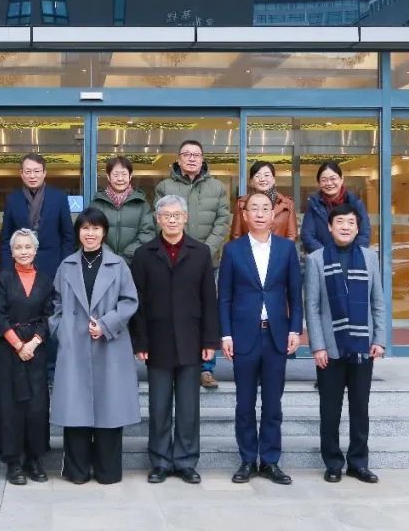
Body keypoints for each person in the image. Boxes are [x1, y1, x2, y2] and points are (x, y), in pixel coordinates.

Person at [130, 195, 219, 485]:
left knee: (189, 407)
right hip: (157, 341)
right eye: (166, 215)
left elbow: (209, 299)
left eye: (176, 215)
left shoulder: (201, 252)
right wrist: (140, 342)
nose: (171, 219)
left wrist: (210, 341)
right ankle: (160, 461)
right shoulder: (144, 254)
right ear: (158, 219)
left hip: (191, 339)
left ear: (185, 218)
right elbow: (138, 303)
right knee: (158, 407)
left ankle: (186, 461)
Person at [50, 207, 140, 485]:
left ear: (104, 232)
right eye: (85, 228)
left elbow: (130, 301)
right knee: (75, 411)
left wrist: (107, 324)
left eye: (96, 228)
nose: (90, 234)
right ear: (78, 232)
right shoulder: (66, 265)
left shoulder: (118, 265)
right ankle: (76, 470)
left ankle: (107, 470)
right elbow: (55, 304)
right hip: (74, 345)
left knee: (109, 411)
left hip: (110, 345)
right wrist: (62, 330)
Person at [219, 191, 303, 486]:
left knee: (272, 404)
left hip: (276, 335)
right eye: (253, 208)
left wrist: (295, 329)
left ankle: (270, 461)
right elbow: (224, 297)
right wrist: (226, 334)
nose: (259, 213)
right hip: (244, 336)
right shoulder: (232, 250)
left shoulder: (286, 249)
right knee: (244, 403)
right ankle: (246, 460)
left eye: (264, 208)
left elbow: (295, 294)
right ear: (244, 215)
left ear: (272, 215)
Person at [304, 203, 386, 484]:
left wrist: (380, 339)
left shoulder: (369, 257)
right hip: (330, 349)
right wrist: (317, 346)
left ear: (357, 227)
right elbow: (312, 307)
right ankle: (333, 463)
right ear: (330, 227)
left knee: (360, 408)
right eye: (340, 222)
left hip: (364, 347)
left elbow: (377, 302)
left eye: (351, 222)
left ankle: (358, 463)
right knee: (330, 410)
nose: (346, 227)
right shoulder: (316, 259)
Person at [155, 139, 231, 390]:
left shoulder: (217, 187)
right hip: (173, 260)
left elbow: (223, 221)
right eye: (186, 154)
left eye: (196, 154)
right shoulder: (165, 186)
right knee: (175, 309)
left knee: (207, 310)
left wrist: (205, 251)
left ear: (202, 159)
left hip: (208, 260)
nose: (191, 158)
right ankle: (175, 359)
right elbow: (159, 220)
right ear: (178, 159)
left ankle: (206, 368)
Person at [0, 228, 54, 485]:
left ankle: (34, 459)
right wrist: (17, 344)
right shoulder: (2, 279)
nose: (23, 251)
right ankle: (13, 462)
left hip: (36, 349)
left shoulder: (45, 280)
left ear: (35, 250)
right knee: (10, 407)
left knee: (37, 408)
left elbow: (49, 315)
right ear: (11, 252)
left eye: (28, 247)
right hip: (8, 351)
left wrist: (33, 343)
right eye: (18, 247)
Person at [0, 153, 73, 276]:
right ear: (21, 173)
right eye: (28, 171)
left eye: (37, 171)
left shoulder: (59, 198)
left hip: (53, 266)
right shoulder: (12, 199)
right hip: (20, 267)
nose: (32, 176)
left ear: (44, 173)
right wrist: (7, 270)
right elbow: (6, 239)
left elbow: (68, 237)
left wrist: (65, 266)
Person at [89, 155, 156, 265]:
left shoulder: (142, 203)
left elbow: (147, 233)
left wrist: (127, 256)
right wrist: (110, 256)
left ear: (130, 176)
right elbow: (92, 233)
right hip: (103, 262)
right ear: (108, 177)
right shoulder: (97, 203)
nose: (120, 179)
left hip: (134, 262)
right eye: (116, 175)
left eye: (124, 174)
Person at [301, 160, 371, 253]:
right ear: (319, 183)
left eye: (333, 179)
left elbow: (364, 234)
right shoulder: (314, 204)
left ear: (341, 179)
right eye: (324, 180)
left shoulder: (355, 202)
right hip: (323, 258)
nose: (329, 183)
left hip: (352, 258)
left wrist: (351, 255)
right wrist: (325, 255)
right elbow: (307, 235)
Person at [231, 161, 298, 241]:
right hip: (247, 248)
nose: (262, 179)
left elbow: (292, 235)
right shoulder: (241, 204)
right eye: (258, 176)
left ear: (274, 180)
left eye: (266, 175)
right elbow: (236, 235)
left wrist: (281, 249)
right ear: (251, 181)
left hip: (279, 248)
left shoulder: (287, 203)